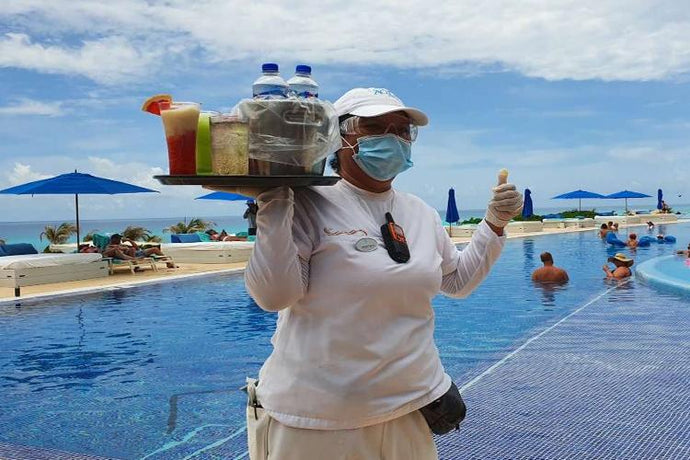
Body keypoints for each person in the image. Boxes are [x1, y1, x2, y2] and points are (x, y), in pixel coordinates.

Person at [211, 87, 523, 459]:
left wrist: (495, 223)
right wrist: (274, 198)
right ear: (339, 136)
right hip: (315, 420)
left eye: (402, 130)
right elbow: (274, 296)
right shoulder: (309, 203)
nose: (393, 139)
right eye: (375, 127)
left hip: (408, 409)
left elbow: (455, 282)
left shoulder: (419, 211)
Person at [104, 234, 175, 268]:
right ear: (113, 240)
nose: (120, 240)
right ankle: (136, 266)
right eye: (118, 239)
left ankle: (168, 263)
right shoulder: (110, 246)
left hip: (138, 252)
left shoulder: (121, 245)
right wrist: (122, 248)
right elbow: (106, 253)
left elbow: (137, 248)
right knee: (132, 249)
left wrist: (129, 240)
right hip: (132, 255)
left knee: (155, 249)